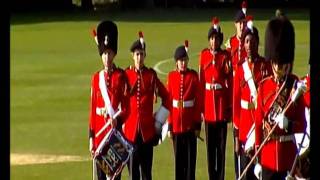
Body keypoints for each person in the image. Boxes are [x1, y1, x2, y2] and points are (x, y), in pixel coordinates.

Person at [254, 15, 307, 180]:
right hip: (268, 158)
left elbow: (302, 126)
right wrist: (258, 160)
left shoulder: (294, 85)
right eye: (275, 62)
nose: (278, 67)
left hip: (287, 159)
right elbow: (258, 124)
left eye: (281, 63)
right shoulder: (264, 86)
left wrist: (288, 125)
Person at [123, 31, 170, 180]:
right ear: (132, 56)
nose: (139, 58)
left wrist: (159, 121)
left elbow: (167, 98)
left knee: (147, 173)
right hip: (130, 132)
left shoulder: (151, 76)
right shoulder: (126, 75)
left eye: (142, 54)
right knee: (133, 173)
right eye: (137, 54)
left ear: (145, 55)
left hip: (147, 132)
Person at [233, 15, 272, 180]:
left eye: (253, 41)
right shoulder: (240, 69)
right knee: (246, 172)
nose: (250, 45)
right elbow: (235, 102)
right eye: (247, 41)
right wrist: (236, 135)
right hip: (244, 127)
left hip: (261, 126)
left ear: (258, 42)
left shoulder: (266, 66)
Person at [89, 20, 129, 180]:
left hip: (114, 134)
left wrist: (117, 120)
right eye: (104, 54)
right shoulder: (95, 78)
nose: (107, 57)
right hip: (99, 134)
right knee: (100, 177)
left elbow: (126, 107)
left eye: (109, 53)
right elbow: (93, 110)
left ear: (114, 54)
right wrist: (91, 137)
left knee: (114, 176)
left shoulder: (121, 77)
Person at [199, 17, 232, 180]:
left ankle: (221, 177)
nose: (214, 41)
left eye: (216, 38)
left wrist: (229, 107)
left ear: (220, 40)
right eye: (211, 38)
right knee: (210, 148)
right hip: (208, 108)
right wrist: (201, 109)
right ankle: (212, 176)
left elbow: (230, 83)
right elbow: (200, 82)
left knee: (221, 147)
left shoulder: (225, 57)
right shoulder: (204, 55)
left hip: (220, 107)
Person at [167, 40, 202, 180]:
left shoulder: (193, 77)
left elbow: (198, 103)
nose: (183, 63)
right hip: (176, 127)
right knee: (179, 165)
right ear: (176, 62)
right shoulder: (171, 77)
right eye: (180, 60)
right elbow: (169, 103)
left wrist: (197, 125)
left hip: (189, 127)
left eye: (185, 60)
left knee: (190, 165)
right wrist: (169, 125)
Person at [224, 1, 248, 178]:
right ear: (235, 24)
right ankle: (237, 171)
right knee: (235, 137)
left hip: (247, 93)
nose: (242, 25)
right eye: (239, 23)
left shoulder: (249, 42)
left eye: (244, 22)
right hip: (232, 94)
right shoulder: (230, 43)